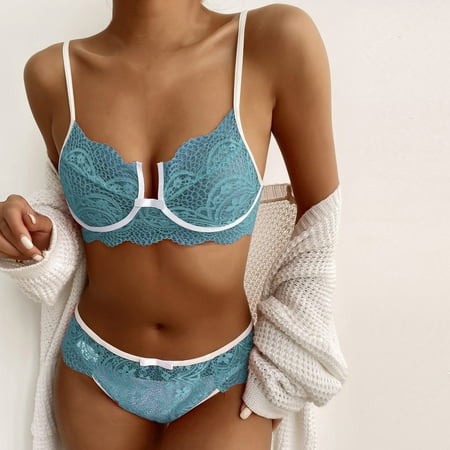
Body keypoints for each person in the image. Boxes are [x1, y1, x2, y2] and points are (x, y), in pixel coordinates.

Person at [0, 2, 348, 449]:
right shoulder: (52, 73)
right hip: (94, 369)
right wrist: (38, 236)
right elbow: (72, 220)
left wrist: (282, 371)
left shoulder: (272, 41)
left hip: (226, 377)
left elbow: (319, 221)